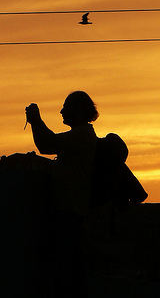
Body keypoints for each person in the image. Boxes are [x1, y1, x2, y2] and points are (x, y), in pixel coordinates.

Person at [25, 91, 98, 298]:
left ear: (80, 110)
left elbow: (46, 144)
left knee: (65, 272)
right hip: (69, 212)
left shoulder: (82, 135)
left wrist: (35, 120)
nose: (61, 111)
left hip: (68, 212)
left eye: (66, 107)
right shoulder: (79, 136)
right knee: (69, 269)